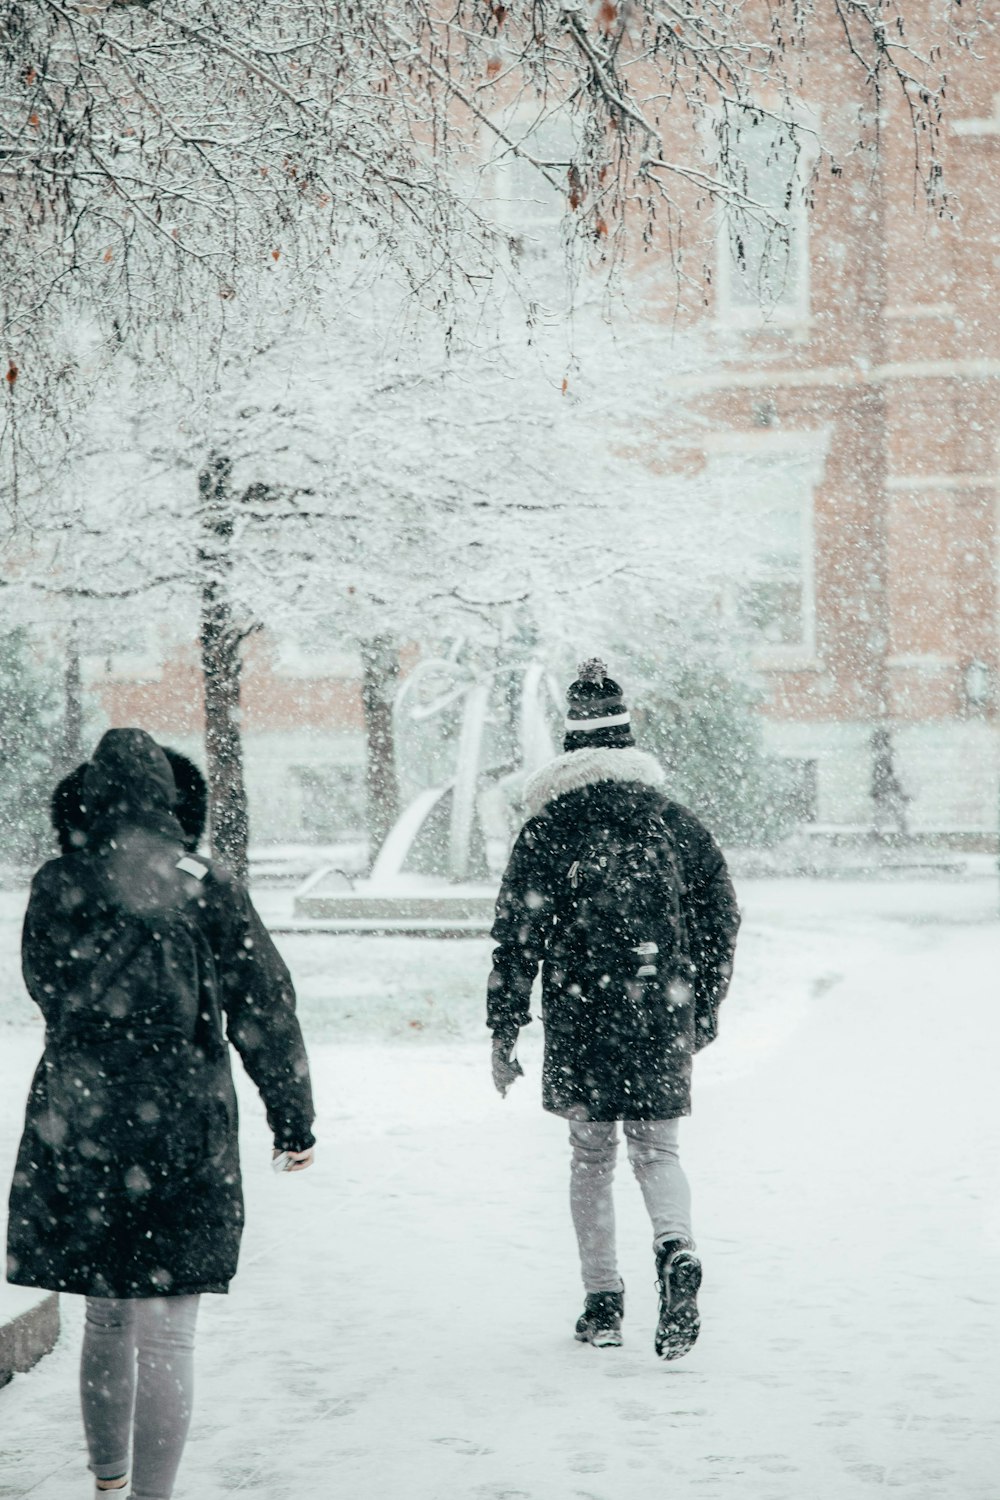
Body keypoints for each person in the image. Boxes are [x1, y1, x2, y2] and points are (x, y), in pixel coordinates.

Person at [6, 729, 316, 1500]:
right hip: (186, 1114)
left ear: (86, 801)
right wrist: (293, 1115)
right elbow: (264, 1005)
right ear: (175, 804)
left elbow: (43, 984)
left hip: (78, 1116)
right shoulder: (206, 882)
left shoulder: (56, 882)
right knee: (170, 1329)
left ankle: (106, 1485)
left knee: (107, 1316)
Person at [487, 661, 739, 1358]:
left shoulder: (547, 826)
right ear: (627, 737)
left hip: (581, 1012)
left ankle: (602, 1304)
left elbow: (515, 936)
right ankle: (676, 1247)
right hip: (661, 1006)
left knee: (590, 1157)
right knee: (657, 1151)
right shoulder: (671, 820)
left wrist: (504, 1029)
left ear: (570, 742)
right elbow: (721, 909)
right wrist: (704, 1000)